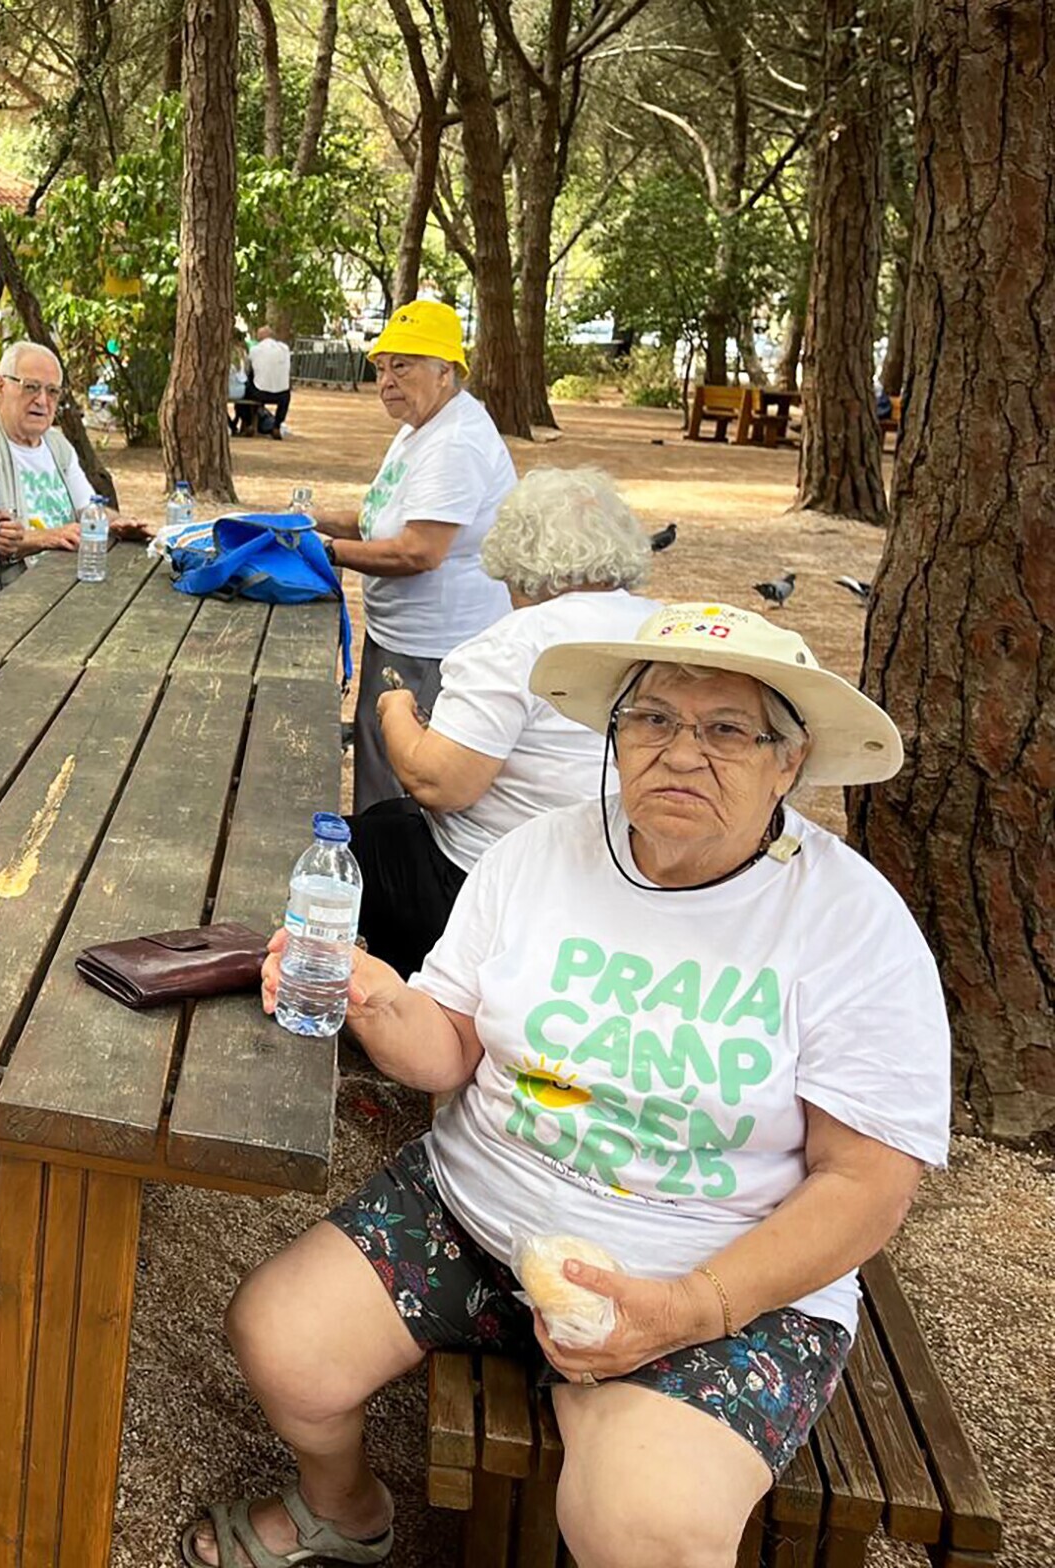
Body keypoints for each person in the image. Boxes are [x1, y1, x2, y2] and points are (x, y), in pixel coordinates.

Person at [186, 602, 944, 1568]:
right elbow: (451, 1049)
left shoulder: (851, 922)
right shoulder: (539, 854)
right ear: (614, 736)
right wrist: (376, 1000)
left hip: (708, 1276)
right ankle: (344, 1509)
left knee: (646, 1529)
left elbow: (867, 1183)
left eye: (726, 730)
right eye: (654, 719)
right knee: (279, 1341)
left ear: (788, 761)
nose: (681, 753)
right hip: (478, 1210)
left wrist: (689, 1308)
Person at [349, 468, 659, 975]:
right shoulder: (663, 631)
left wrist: (395, 709)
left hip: (494, 885)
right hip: (625, 885)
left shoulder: (518, 642)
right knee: (389, 820)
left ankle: (414, 988)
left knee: (355, 843)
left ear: (517, 560)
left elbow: (439, 784)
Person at [314, 299, 517, 812]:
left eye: (402, 366)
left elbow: (419, 551)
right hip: (399, 637)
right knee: (377, 765)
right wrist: (308, 522)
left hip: (435, 650)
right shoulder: (420, 429)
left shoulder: (456, 443)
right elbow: (379, 519)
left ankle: (381, 864)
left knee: (400, 790)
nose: (386, 381)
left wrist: (324, 551)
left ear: (445, 371)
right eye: (381, 368)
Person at [0, 341, 136, 570]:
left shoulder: (57, 443)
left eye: (52, 391)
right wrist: (48, 537)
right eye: (31, 387)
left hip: (69, 571)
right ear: (1, 386)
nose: (42, 401)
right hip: (20, 583)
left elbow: (87, 509)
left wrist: (119, 523)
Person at [240, 320, 293, 439]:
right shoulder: (284, 349)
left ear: (260, 338)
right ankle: (276, 425)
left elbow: (249, 369)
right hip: (281, 394)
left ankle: (248, 422)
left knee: (245, 391)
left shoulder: (255, 350)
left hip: (260, 393)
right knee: (287, 396)